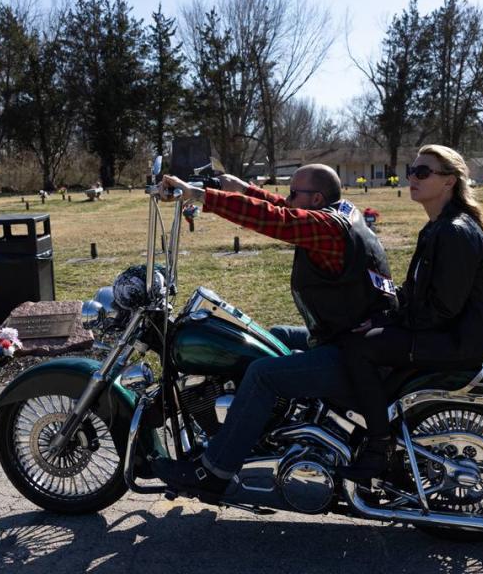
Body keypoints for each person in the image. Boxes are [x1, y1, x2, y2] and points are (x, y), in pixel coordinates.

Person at [152, 164, 398, 499]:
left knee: (262, 374)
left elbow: (277, 219)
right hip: (351, 336)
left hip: (353, 353)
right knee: (274, 335)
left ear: (317, 198)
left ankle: (213, 470)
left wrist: (200, 195)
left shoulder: (328, 229)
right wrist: (242, 188)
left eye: (295, 192)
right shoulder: (343, 212)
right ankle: (260, 430)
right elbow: (285, 209)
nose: (287, 197)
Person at [335, 144, 483, 483]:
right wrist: (382, 306)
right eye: (412, 170)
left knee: (360, 347)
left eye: (423, 172)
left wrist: (390, 321)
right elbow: (419, 294)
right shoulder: (440, 226)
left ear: (449, 182)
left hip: (459, 341)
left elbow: (443, 309)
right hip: (450, 332)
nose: (413, 177)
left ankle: (379, 445)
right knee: (362, 334)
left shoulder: (454, 231)